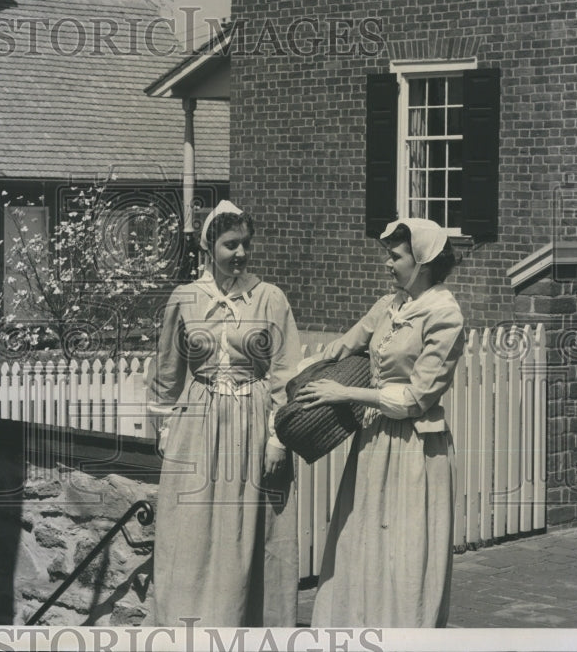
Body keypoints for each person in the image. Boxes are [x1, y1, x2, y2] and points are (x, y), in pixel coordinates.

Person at [295, 217, 464, 628]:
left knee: (403, 551)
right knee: (362, 541)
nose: (387, 264)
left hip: (412, 446)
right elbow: (341, 347)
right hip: (374, 441)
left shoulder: (444, 315)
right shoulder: (391, 304)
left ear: (422, 261)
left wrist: (346, 394)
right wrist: (298, 377)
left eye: (395, 256)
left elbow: (416, 398)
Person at [148, 200, 303, 627]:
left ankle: (249, 625)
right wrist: (164, 427)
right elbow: (166, 368)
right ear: (209, 246)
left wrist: (277, 437)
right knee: (191, 529)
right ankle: (188, 625)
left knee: (249, 530)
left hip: (252, 422)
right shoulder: (186, 298)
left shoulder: (270, 298)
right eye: (231, 244)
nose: (241, 253)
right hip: (196, 424)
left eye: (246, 245)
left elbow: (285, 373)